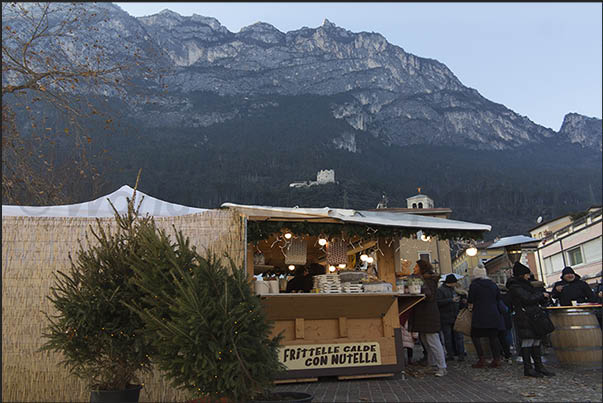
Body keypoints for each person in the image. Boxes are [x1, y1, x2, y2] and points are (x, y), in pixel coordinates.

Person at [506, 262, 555, 377]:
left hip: (533, 316)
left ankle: (539, 366)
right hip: (525, 317)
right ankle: (528, 368)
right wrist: (541, 295)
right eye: (527, 274)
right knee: (528, 341)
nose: (529, 276)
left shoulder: (527, 285)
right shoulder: (515, 287)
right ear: (521, 275)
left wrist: (543, 296)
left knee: (536, 340)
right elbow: (527, 299)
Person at [409, 260, 447, 377]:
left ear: (421, 268)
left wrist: (418, 287)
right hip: (424, 313)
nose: (414, 268)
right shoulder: (425, 278)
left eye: (416, 266)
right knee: (426, 340)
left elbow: (429, 295)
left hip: (428, 313)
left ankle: (442, 367)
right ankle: (432, 364)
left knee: (433, 340)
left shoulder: (427, 280)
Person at [468, 265, 505, 369]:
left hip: (480, 314)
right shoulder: (493, 284)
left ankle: (481, 358)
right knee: (493, 337)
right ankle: (496, 359)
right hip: (493, 313)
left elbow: (470, 299)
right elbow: (498, 298)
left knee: (475, 336)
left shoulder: (474, 285)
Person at [437, 274, 465, 361]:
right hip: (445, 317)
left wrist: (462, 302)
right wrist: (450, 300)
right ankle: (451, 354)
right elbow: (438, 302)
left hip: (455, 316)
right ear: (452, 283)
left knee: (458, 337)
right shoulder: (441, 290)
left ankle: (460, 354)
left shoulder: (454, 290)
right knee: (448, 337)